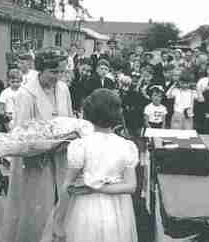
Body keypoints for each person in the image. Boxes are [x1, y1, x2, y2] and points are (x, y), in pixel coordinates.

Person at [43, 88, 138, 242]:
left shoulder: (81, 146)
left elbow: (67, 185)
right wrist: (102, 187)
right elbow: (131, 186)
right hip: (117, 211)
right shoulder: (126, 146)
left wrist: (59, 221)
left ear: (87, 115)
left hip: (85, 209)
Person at [0, 47, 73, 242]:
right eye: (54, 72)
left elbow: (69, 120)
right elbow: (22, 134)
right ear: (41, 69)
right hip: (35, 161)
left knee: (61, 205)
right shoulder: (26, 94)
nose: (58, 76)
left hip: (60, 157)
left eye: (61, 71)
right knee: (37, 209)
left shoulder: (63, 89)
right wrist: (46, 145)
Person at [0, 66, 23, 131]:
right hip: (9, 119)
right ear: (8, 81)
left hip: (22, 118)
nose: (15, 84)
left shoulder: (24, 91)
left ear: (21, 81)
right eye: (13, 82)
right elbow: (0, 109)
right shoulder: (5, 92)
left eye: (18, 82)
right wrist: (6, 116)